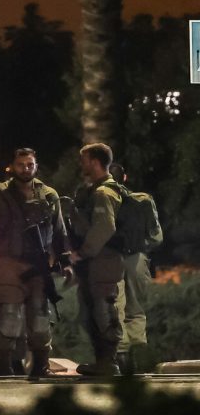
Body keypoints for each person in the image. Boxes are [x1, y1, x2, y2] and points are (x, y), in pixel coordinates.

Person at [0, 148, 70, 377]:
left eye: (30, 164)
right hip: (7, 264)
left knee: (40, 317)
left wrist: (65, 260)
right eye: (21, 164)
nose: (25, 169)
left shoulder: (49, 195)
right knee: (8, 316)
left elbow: (59, 230)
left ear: (36, 166)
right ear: (13, 167)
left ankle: (41, 365)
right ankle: (4, 367)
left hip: (38, 266)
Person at [69, 143, 124, 376]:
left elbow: (105, 227)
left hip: (104, 260)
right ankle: (103, 361)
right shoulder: (94, 191)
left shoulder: (103, 193)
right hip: (96, 262)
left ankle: (109, 362)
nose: (81, 164)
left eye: (84, 160)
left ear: (94, 162)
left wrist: (83, 252)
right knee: (91, 311)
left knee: (103, 310)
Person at [109, 163, 161, 374]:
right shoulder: (144, 200)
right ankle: (139, 356)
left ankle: (122, 357)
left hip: (111, 259)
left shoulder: (100, 199)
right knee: (137, 310)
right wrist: (141, 248)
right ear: (125, 177)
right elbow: (156, 236)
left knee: (116, 308)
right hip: (137, 259)